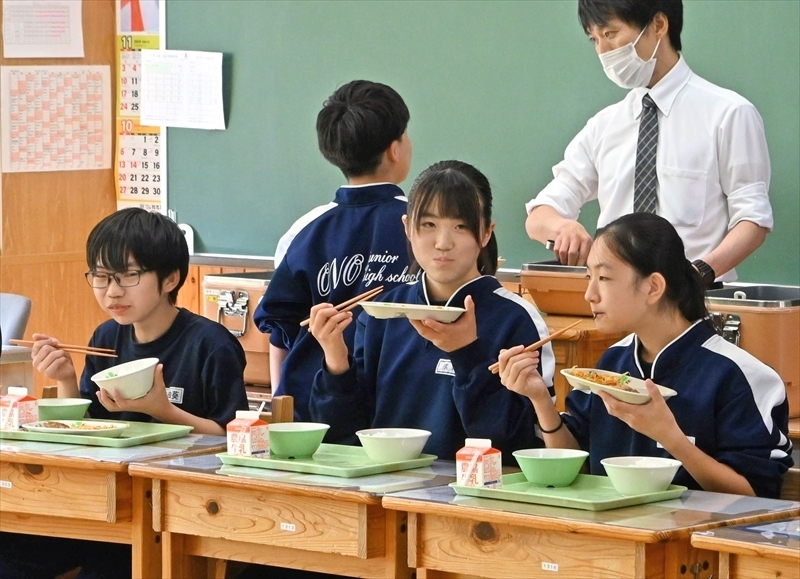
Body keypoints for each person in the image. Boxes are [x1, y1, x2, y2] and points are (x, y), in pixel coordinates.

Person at [0, 208, 249, 579]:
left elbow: (237, 439)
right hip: (107, 500)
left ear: (170, 279)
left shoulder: (210, 344)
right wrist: (67, 380)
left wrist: (162, 409)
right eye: (100, 277)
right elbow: (90, 429)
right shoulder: (107, 337)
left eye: (128, 276)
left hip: (179, 508)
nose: (112, 291)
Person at [499, 212, 793, 498]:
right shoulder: (613, 363)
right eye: (589, 277)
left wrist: (670, 437)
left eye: (603, 277)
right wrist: (539, 398)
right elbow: (578, 463)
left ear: (653, 287)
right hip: (613, 537)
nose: (589, 294)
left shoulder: (741, 375)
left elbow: (757, 497)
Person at [308, 160, 554, 461]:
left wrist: (466, 354)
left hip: (470, 497)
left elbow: (514, 448)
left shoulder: (515, 319)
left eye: (460, 226)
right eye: (428, 225)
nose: (443, 243)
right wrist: (336, 360)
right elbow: (341, 437)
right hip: (381, 490)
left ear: (486, 233)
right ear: (407, 228)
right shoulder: (382, 314)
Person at [525, 0, 772, 285]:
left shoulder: (728, 114)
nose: (602, 52)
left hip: (697, 303)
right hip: (614, 306)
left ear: (658, 25)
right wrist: (562, 226)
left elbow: (753, 220)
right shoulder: (605, 125)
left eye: (610, 34)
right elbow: (540, 213)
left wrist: (697, 274)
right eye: (594, 39)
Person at [254, 80, 417, 422]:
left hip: (313, 409)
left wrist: (279, 408)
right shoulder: (421, 224)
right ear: (395, 149)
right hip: (400, 403)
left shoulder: (302, 230)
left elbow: (280, 331)